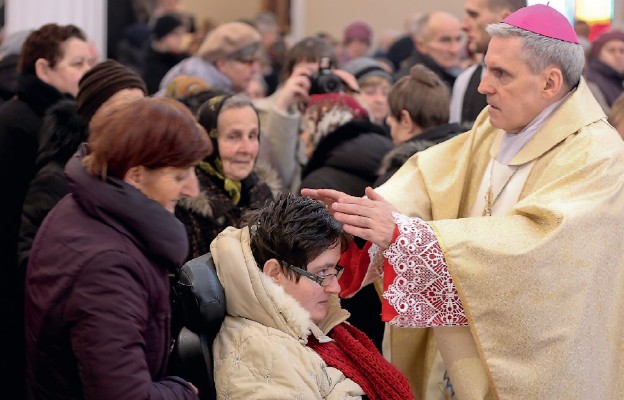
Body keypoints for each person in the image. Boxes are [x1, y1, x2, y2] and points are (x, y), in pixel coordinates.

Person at [303, 4, 624, 399]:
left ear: (550, 82)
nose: (482, 85)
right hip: (460, 351)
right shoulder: (496, 128)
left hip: (538, 364)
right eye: (485, 67)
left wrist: (404, 234)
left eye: (500, 73)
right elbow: (428, 179)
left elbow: (542, 250)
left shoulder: (598, 155)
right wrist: (359, 217)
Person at [25, 97, 211, 400]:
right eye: (179, 176)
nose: (192, 189)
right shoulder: (108, 267)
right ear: (135, 176)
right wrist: (181, 393)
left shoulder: (82, 208)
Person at [211, 193, 414, 400]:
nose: (335, 288)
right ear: (274, 273)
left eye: (334, 270)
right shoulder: (254, 352)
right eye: (322, 273)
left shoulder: (316, 329)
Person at [0, 23, 91, 398]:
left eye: (92, 61)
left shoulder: (57, 121)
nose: (88, 71)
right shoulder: (20, 123)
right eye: (77, 62)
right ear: (43, 69)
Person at [18, 60, 147, 272]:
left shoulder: (144, 171)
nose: (134, 122)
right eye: (120, 111)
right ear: (91, 116)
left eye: (141, 111)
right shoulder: (57, 178)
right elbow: (33, 260)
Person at [175, 93, 277, 262]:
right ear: (208, 140)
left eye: (252, 136)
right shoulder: (185, 203)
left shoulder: (261, 192)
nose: (247, 149)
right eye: (233, 137)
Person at [377, 64, 463, 186]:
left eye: (391, 115)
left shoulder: (397, 179)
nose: (388, 121)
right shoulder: (466, 159)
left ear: (406, 120)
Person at [450, 0, 526, 129]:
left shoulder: (536, 80)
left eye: (474, 15)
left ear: (506, 19)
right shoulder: (466, 80)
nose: (463, 26)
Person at [158, 22, 261, 95]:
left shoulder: (218, 83)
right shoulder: (195, 91)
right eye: (248, 62)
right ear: (222, 64)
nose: (255, 69)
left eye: (256, 61)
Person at [395, 11, 464, 88]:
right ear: (421, 45)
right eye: (445, 40)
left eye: (458, 39)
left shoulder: (458, 77)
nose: (454, 49)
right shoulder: (411, 86)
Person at [142, 13, 189, 94]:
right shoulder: (149, 64)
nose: (181, 39)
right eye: (176, 34)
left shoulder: (184, 59)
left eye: (182, 34)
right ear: (163, 36)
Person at [343, 56, 393, 126]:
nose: (380, 100)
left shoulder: (397, 134)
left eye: (385, 93)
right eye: (370, 93)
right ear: (349, 94)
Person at [584, 29, 624, 113]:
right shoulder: (591, 82)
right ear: (598, 54)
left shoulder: (619, 80)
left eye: (622, 51)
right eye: (611, 50)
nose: (618, 55)